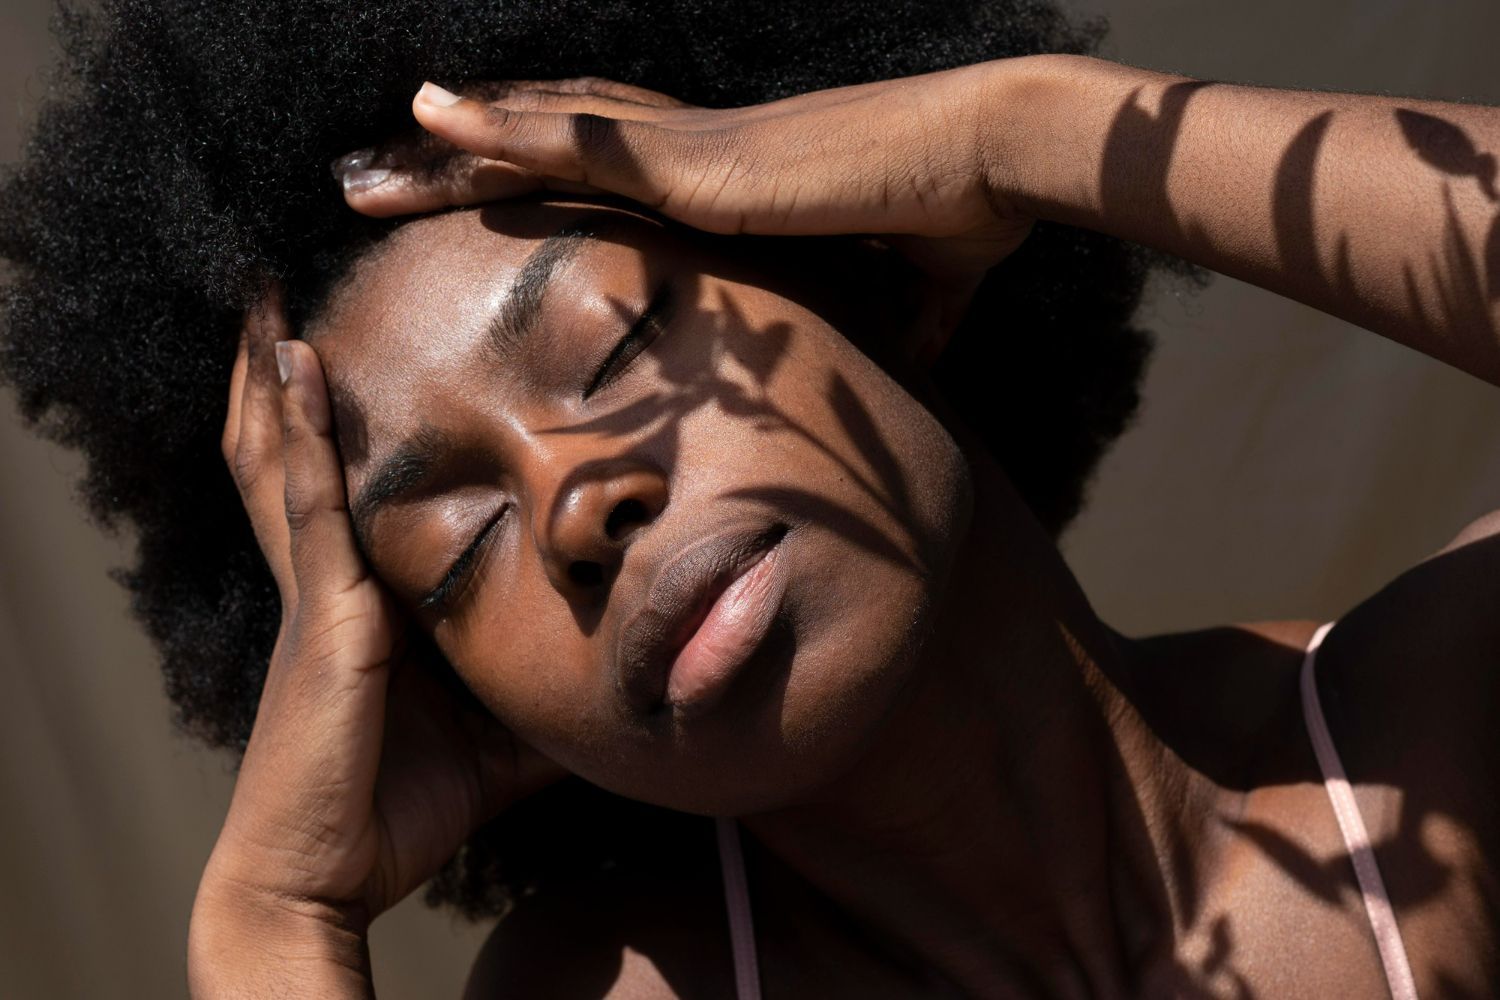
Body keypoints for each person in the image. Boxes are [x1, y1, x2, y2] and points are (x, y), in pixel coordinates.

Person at [1, 1, 1495, 997]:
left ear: (875, 267)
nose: (579, 500)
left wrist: (1014, 132)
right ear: (455, 698)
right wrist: (271, 920)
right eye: (456, 549)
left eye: (622, 343)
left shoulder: (1446, 726)